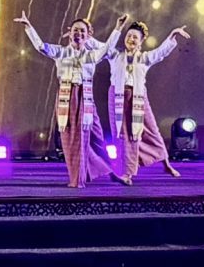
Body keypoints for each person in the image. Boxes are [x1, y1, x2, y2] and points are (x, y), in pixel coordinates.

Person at [15, 13, 126, 188]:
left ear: (87, 36)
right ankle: (77, 180)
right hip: (68, 99)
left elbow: (106, 49)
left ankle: (110, 172)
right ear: (70, 33)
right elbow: (41, 46)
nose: (78, 34)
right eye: (75, 30)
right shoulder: (61, 52)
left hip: (86, 99)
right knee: (74, 139)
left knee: (97, 138)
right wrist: (29, 27)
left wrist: (118, 28)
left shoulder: (91, 55)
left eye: (82, 31)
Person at [106, 20, 190, 185]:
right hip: (117, 97)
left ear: (141, 41)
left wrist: (172, 35)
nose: (131, 39)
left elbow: (161, 52)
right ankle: (126, 174)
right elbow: (104, 47)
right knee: (123, 135)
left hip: (138, 97)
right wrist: (117, 28)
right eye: (129, 36)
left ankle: (166, 164)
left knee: (151, 131)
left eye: (135, 37)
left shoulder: (144, 58)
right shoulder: (115, 55)